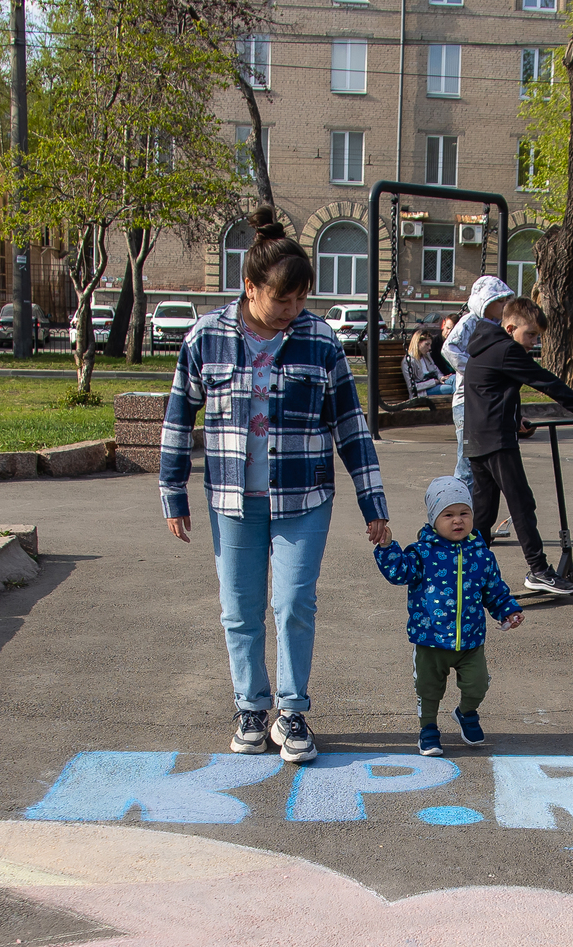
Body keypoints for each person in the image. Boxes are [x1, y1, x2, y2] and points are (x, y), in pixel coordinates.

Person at [160, 205, 390, 765]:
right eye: (281, 301)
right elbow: (177, 416)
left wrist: (373, 503)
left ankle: (291, 711)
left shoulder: (320, 341)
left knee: (293, 603)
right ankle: (249, 708)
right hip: (233, 499)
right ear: (249, 288)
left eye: (301, 301)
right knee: (239, 608)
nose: (292, 312)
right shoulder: (206, 337)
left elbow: (351, 426)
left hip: (304, 496)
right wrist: (173, 489)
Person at [461, 296, 573, 597]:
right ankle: (538, 570)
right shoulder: (507, 349)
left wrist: (515, 419)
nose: (533, 342)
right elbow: (545, 381)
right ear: (511, 327)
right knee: (522, 504)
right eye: (531, 335)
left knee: (483, 517)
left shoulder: (482, 346)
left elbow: (489, 391)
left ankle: (465, 574)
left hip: (477, 441)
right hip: (498, 443)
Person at [373, 475, 523, 757]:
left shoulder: (482, 555)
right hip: (430, 639)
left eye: (464, 513)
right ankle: (428, 728)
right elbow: (399, 573)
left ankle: (466, 712)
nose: (458, 521)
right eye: (448, 514)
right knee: (428, 689)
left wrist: (508, 610)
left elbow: (494, 590)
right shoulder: (421, 553)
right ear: (433, 520)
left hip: (470, 640)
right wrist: (387, 548)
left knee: (478, 684)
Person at [443, 276, 515, 492]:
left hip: (484, 402)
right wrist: (475, 371)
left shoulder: (497, 326)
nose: (504, 306)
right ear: (485, 301)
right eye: (499, 301)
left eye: (505, 301)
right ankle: (456, 506)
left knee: (481, 465)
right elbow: (449, 349)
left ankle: (472, 515)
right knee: (467, 463)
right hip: (466, 402)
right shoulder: (470, 321)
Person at [404, 330, 457, 399]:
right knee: (451, 388)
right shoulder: (408, 361)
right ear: (418, 343)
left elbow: (435, 369)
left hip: (435, 382)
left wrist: (441, 377)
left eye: (430, 345)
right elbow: (412, 387)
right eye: (427, 344)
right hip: (423, 391)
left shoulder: (426, 356)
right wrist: (433, 382)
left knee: (457, 378)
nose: (429, 348)